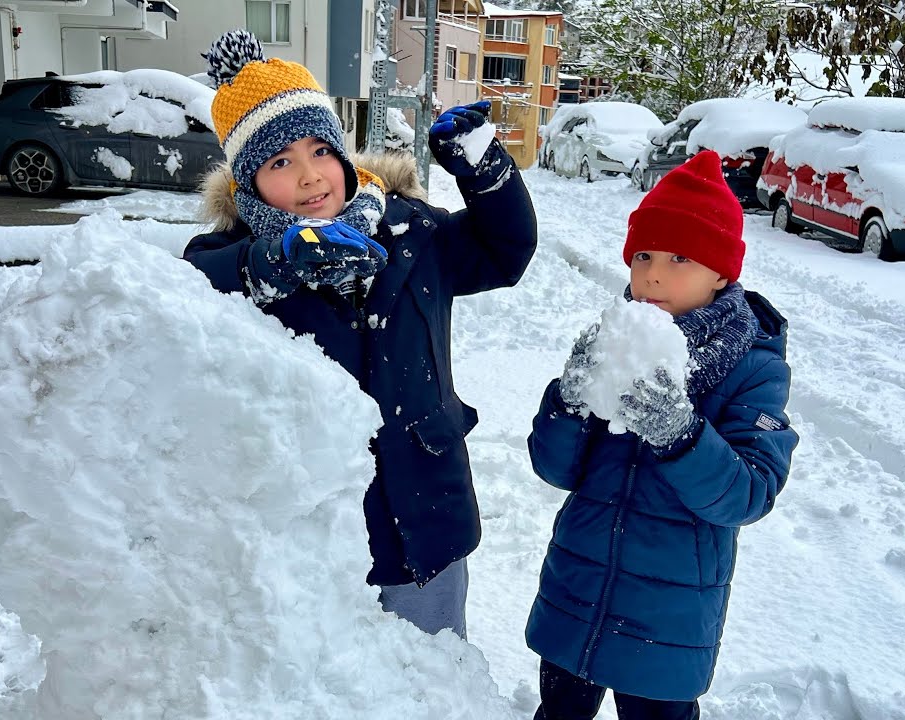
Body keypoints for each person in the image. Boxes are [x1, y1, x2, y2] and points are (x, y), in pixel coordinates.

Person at [183, 29, 537, 638]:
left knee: (428, 678)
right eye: (279, 162)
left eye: (319, 150)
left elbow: (505, 252)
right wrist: (278, 259)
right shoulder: (237, 259)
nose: (309, 176)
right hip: (315, 535)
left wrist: (485, 168)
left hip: (428, 512)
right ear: (248, 184)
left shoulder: (412, 230)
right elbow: (189, 284)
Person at [525, 150, 799, 719]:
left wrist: (681, 434)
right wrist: (571, 399)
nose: (652, 274)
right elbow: (555, 469)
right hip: (579, 591)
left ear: (722, 272)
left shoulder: (752, 366)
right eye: (643, 255)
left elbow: (749, 493)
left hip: (667, 620)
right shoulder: (613, 343)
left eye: (680, 258)